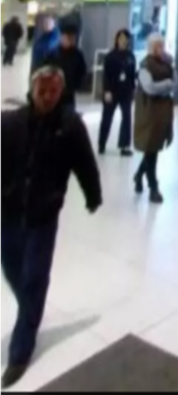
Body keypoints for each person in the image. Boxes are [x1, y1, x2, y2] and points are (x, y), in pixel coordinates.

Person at [1, 66, 102, 389]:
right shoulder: (9, 123)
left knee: (34, 276)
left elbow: (85, 163)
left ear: (60, 93)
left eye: (54, 92)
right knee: (13, 269)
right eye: (42, 92)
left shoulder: (70, 126)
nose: (47, 98)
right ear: (32, 91)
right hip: (8, 211)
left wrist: (93, 195)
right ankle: (30, 309)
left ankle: (20, 350)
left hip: (44, 215)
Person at [133, 35, 176, 205]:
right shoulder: (145, 66)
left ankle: (138, 175)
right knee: (151, 148)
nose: (161, 49)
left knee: (154, 148)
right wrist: (166, 84)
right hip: (148, 113)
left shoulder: (167, 63)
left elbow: (176, 81)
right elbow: (149, 87)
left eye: (162, 46)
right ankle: (153, 187)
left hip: (163, 112)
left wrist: (167, 83)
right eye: (158, 46)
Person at [98, 29, 137, 156]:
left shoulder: (131, 56)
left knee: (127, 118)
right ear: (117, 40)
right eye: (120, 39)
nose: (123, 41)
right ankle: (102, 143)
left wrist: (133, 88)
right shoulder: (110, 57)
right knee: (107, 118)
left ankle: (124, 145)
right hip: (112, 91)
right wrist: (107, 91)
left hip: (126, 92)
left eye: (125, 39)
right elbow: (106, 76)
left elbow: (131, 75)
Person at [44, 25, 87, 111]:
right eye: (67, 37)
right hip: (54, 91)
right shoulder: (53, 54)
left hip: (69, 93)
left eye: (72, 38)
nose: (70, 40)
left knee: (68, 117)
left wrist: (77, 85)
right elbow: (44, 71)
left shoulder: (78, 54)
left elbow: (82, 70)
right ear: (61, 37)